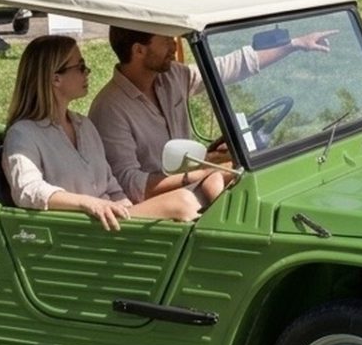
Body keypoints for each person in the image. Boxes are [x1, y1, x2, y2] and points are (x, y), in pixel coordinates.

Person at [89, 24, 334, 209]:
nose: (174, 47)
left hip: (191, 181)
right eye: (166, 40)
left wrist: (294, 44)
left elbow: (227, 67)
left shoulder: (171, 76)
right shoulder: (110, 109)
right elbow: (132, 185)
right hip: (165, 206)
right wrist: (204, 172)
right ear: (139, 50)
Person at [1, 34, 212, 227]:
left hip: (109, 222)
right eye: (81, 67)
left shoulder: (83, 125)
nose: (87, 72)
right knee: (183, 201)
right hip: (77, 228)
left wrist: (126, 210)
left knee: (213, 181)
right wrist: (88, 204)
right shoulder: (23, 134)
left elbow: (112, 185)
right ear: (56, 78)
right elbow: (28, 190)